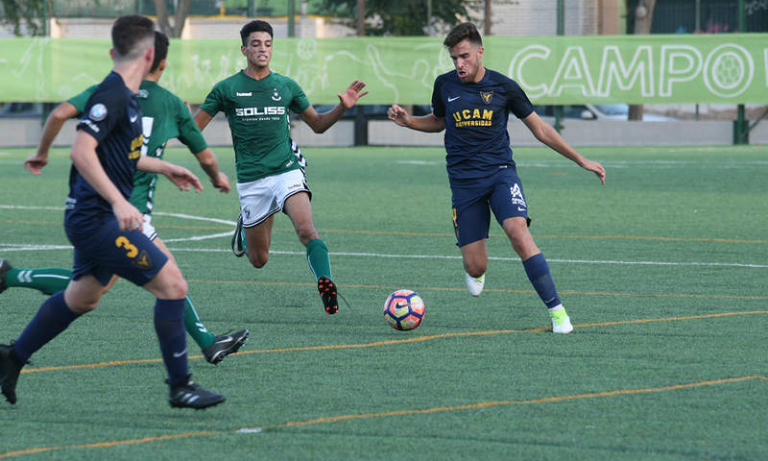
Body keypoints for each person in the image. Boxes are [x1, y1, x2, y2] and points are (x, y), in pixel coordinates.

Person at [0, 15, 225, 409]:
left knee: (83, 298)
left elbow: (120, 157)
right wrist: (120, 202)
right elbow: (81, 151)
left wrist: (165, 166)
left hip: (93, 219)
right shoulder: (115, 96)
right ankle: (180, 385)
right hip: (98, 220)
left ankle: (10, 357)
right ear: (152, 54)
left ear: (113, 51)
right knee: (173, 287)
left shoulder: (123, 95)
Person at [387, 23, 606, 334]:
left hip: (501, 174)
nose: (458, 64)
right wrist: (408, 122)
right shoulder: (445, 85)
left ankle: (559, 314)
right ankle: (476, 271)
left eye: (463, 56)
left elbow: (541, 130)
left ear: (480, 52)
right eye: (453, 59)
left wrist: (581, 160)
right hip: (464, 183)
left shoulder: (504, 87)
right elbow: (438, 121)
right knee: (476, 265)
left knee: (518, 232)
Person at [193, 20, 368, 315]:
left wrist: (341, 108)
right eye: (256, 44)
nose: (263, 49)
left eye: (268, 44)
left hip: (287, 171)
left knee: (306, 230)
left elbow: (318, 125)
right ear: (244, 49)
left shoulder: (286, 86)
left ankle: (325, 282)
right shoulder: (226, 89)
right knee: (258, 259)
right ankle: (245, 225)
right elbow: (194, 129)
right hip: (251, 181)